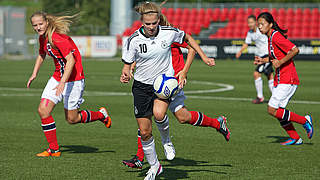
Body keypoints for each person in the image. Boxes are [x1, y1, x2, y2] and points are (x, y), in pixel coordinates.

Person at [120, 2, 230, 179]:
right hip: (142, 86)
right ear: (142, 22)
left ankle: (166, 142)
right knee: (146, 129)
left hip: (168, 83)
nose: (151, 27)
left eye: (154, 23)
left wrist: (186, 70)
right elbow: (131, 61)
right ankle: (151, 163)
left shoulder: (169, 34)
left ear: (158, 21)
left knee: (163, 115)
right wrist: (127, 72)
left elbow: (190, 44)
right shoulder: (134, 40)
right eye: (147, 24)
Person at [27, 12, 111, 157]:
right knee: (43, 111)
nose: (38, 27)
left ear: (47, 22)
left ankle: (101, 115)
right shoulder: (43, 38)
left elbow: (71, 61)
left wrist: (62, 83)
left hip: (74, 80)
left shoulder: (57, 38)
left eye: (40, 24)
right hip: (58, 77)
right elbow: (42, 54)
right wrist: (34, 73)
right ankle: (54, 149)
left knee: (72, 119)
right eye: (35, 25)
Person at [256, 12, 313, 145]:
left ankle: (305, 121)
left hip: (288, 79)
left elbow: (295, 50)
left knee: (272, 109)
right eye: (258, 24)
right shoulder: (270, 37)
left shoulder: (276, 36)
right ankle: (295, 137)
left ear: (270, 24)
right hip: (281, 79)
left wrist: (280, 62)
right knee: (278, 111)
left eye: (262, 24)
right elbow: (275, 57)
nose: (259, 27)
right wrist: (263, 60)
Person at [236, 15, 274, 104]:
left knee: (256, 73)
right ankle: (275, 97)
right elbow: (246, 43)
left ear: (256, 23)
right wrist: (240, 51)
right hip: (260, 56)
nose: (250, 24)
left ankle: (260, 97)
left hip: (266, 55)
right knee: (270, 75)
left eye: (251, 22)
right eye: (248, 22)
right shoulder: (250, 33)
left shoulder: (261, 30)